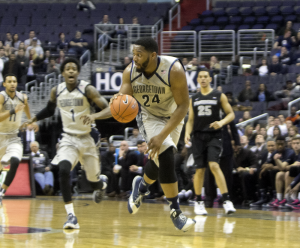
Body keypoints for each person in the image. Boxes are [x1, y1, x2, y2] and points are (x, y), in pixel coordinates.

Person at [80, 37, 196, 232]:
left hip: (174, 115)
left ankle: (141, 186)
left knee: (160, 161)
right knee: (166, 155)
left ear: (152, 55)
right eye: (133, 53)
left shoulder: (173, 69)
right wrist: (95, 116)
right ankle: (176, 212)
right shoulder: (130, 72)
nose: (134, 58)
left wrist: (161, 136)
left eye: (139, 54)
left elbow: (184, 105)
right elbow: (119, 105)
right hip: (149, 117)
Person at [25, 58, 109, 229]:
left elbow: (108, 108)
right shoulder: (57, 90)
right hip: (68, 138)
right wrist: (33, 118)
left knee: (93, 181)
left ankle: (102, 184)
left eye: (74, 68)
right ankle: (71, 216)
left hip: (87, 138)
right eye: (67, 68)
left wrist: (94, 116)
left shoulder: (88, 89)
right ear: (62, 73)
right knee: (63, 169)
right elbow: (49, 110)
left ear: (78, 73)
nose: (71, 71)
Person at [184, 68, 236, 216]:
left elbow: (231, 114)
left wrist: (221, 122)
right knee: (199, 169)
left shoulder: (219, 95)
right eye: (200, 77)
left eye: (206, 76)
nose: (203, 79)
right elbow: (191, 120)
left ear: (210, 79)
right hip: (198, 136)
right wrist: (187, 133)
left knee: (213, 165)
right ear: (198, 80)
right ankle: (199, 201)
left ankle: (226, 200)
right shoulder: (193, 98)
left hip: (214, 135)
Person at [0, 73, 36, 204]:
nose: (12, 83)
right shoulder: (2, 97)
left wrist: (30, 120)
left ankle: (2, 192)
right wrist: (13, 111)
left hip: (14, 137)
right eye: (9, 81)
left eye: (14, 81)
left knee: (15, 161)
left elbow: (26, 106)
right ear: (4, 84)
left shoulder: (22, 97)